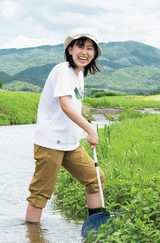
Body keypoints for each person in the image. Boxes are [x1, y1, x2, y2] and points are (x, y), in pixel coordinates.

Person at [25, 33, 105, 223]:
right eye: (80, 47)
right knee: (41, 193)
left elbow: (73, 107)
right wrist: (91, 129)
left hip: (70, 143)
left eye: (89, 48)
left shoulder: (79, 75)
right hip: (50, 142)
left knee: (95, 179)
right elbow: (66, 105)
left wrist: (86, 128)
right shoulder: (63, 70)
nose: (84, 52)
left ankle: (94, 227)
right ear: (70, 50)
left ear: (94, 54)